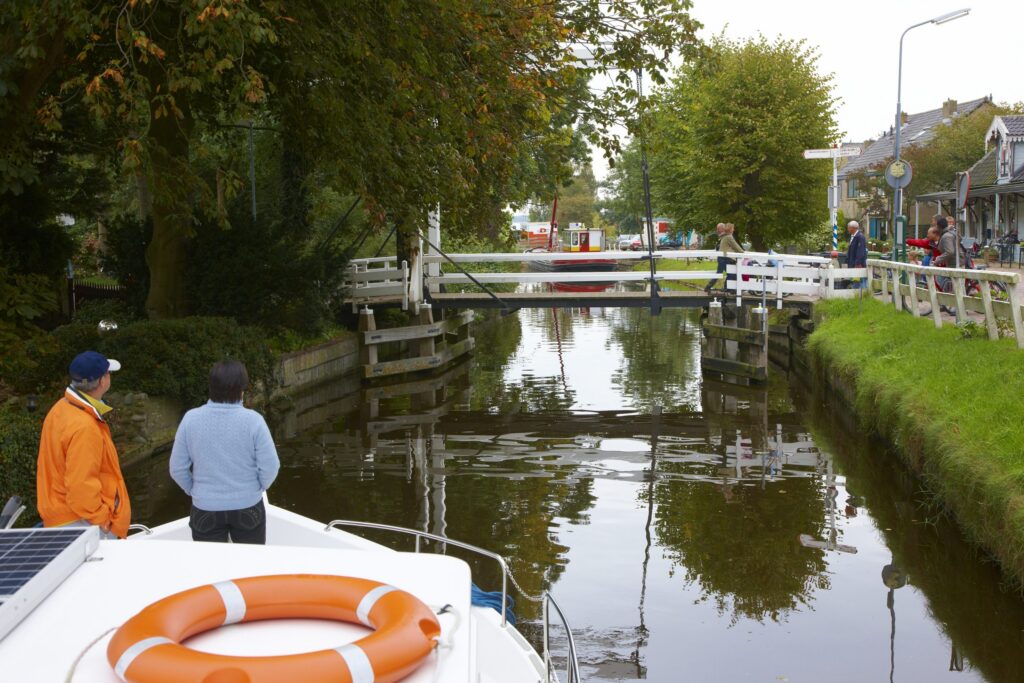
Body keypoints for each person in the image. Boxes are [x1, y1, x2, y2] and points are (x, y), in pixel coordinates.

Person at [170, 360, 279, 543]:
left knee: (211, 569)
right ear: (241, 389)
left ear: (211, 387)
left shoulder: (191, 419)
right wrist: (257, 488)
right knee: (251, 565)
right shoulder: (254, 421)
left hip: (205, 508)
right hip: (248, 506)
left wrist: (196, 491)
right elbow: (271, 467)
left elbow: (177, 469)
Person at [36, 351, 131, 539]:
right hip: (82, 523)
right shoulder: (85, 426)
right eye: (108, 373)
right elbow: (81, 484)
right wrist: (102, 519)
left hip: (61, 518)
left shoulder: (60, 408)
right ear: (103, 381)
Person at [704, 222, 744, 292]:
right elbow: (736, 246)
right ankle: (725, 288)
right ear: (730, 230)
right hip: (725, 258)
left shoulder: (724, 236)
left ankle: (726, 288)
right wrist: (743, 252)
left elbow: (731, 246)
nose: (734, 230)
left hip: (723, 258)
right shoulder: (729, 237)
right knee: (730, 274)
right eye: (733, 228)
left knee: (728, 274)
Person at [845, 220, 867, 288]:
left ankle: (861, 294)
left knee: (859, 280)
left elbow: (860, 251)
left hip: (857, 263)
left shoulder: (860, 237)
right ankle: (856, 293)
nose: (848, 229)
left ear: (853, 228)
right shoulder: (853, 236)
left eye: (849, 227)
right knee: (854, 279)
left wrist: (857, 263)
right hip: (852, 262)